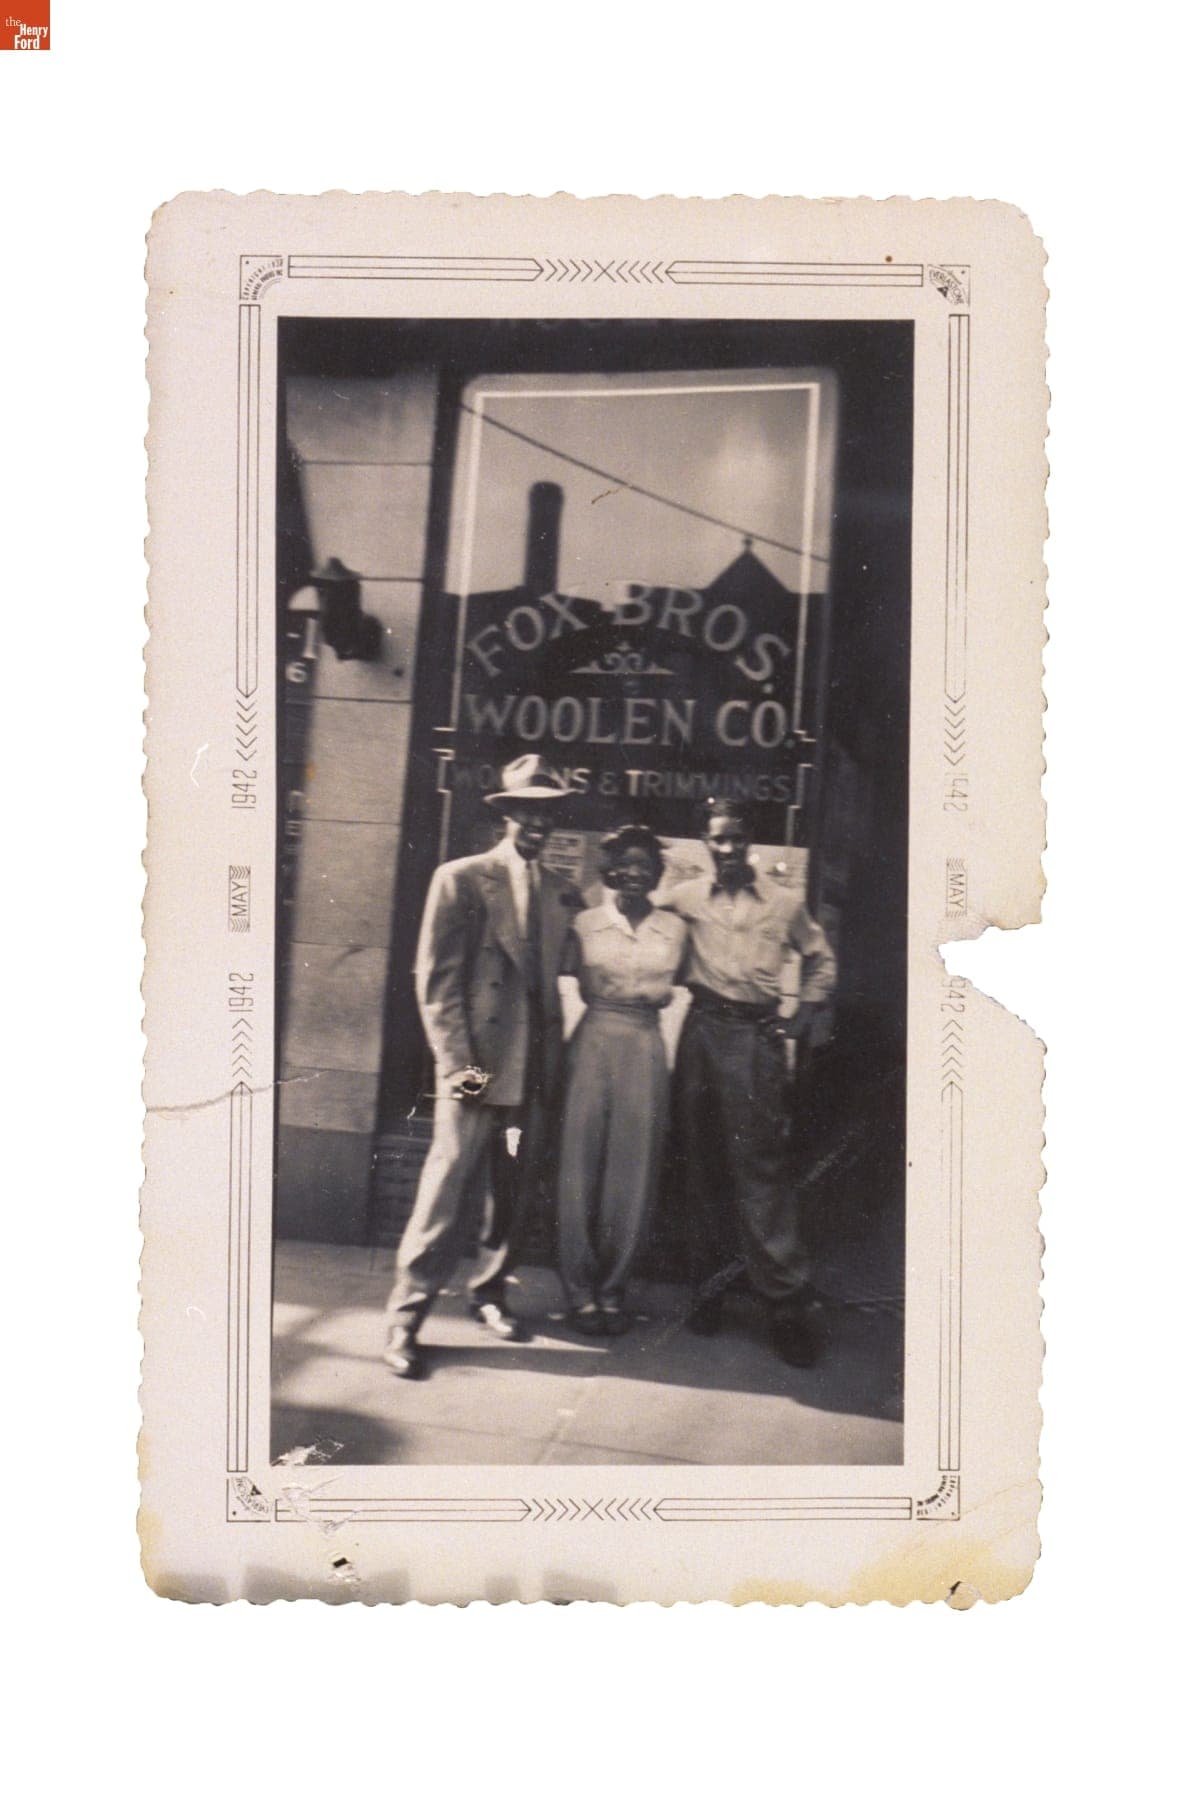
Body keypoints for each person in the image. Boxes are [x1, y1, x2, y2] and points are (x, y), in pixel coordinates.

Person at [383, 755, 581, 1379]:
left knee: (512, 1194)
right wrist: (461, 1071)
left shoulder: (560, 892)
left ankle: (490, 1293)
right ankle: (405, 1318)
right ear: (507, 814)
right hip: (477, 1073)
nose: (538, 824)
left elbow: (560, 984)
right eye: (528, 811)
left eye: (548, 814)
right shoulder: (462, 879)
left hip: (530, 1078)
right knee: (445, 1193)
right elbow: (436, 985)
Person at [664, 797, 837, 1367]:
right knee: (702, 1165)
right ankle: (708, 1290)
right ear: (706, 843)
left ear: (751, 842)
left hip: (755, 1039)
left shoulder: (783, 903)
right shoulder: (686, 896)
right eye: (718, 839)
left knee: (761, 1172)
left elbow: (821, 959)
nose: (728, 848)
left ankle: (784, 1305)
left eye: (737, 838)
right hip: (701, 1033)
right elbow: (640, 915)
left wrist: (801, 1014)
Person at [556, 826, 688, 1337]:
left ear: (657, 874)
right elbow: (561, 983)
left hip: (646, 1043)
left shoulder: (675, 929)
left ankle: (613, 1290)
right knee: (578, 1166)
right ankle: (578, 1291)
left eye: (645, 865)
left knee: (633, 1172)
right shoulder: (584, 923)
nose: (635, 873)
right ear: (609, 871)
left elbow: (687, 988)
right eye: (625, 864)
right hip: (592, 1041)